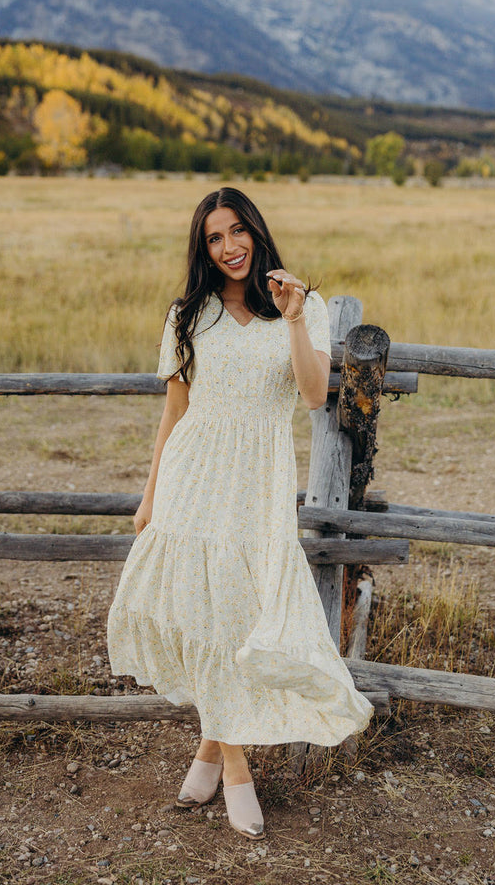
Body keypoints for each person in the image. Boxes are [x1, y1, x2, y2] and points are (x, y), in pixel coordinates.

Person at [107, 187, 373, 840]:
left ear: (256, 230)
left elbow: (314, 395)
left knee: (242, 617)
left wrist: (290, 317)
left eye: (236, 232)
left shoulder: (302, 305)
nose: (229, 247)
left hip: (257, 480)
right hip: (194, 477)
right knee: (210, 614)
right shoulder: (187, 315)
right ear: (204, 249)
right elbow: (174, 412)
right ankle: (235, 769)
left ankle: (208, 747)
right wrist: (149, 496)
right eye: (214, 238)